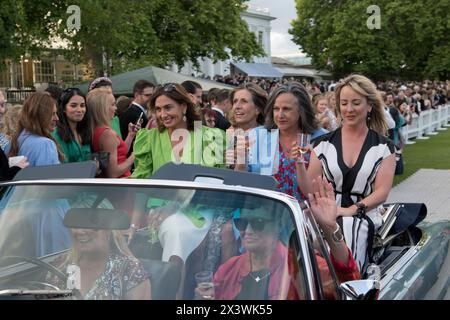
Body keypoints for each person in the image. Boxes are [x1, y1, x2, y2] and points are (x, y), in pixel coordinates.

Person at [195, 177, 360, 300]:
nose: (248, 231)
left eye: (258, 223)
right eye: (242, 223)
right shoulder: (228, 270)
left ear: (278, 226)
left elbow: (349, 283)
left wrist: (329, 227)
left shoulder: (300, 267)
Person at [295, 74, 396, 272]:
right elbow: (309, 189)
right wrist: (299, 163)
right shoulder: (322, 144)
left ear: (369, 106)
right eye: (344, 103)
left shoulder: (384, 147)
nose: (349, 109)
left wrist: (351, 210)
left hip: (364, 214)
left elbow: (382, 193)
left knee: (348, 226)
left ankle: (352, 284)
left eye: (356, 103)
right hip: (326, 211)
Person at [234, 82, 328, 203]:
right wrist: (241, 161)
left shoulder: (321, 138)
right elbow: (239, 183)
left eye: (286, 109)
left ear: (301, 111)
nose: (280, 115)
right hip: (262, 215)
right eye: (276, 109)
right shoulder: (257, 136)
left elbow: (321, 189)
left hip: (305, 216)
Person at [132, 83, 224, 179]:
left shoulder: (210, 137)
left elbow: (219, 180)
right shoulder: (149, 139)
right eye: (158, 109)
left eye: (168, 108)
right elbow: (141, 181)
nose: (163, 115)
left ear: (184, 107)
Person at [46, 229, 151, 300]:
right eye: (75, 223)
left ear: (108, 229)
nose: (79, 231)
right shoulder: (61, 263)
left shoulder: (130, 269)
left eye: (90, 223)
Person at [88, 90, 138, 178]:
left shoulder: (96, 130)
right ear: (102, 108)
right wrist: (134, 155)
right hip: (121, 186)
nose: (116, 108)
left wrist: (131, 135)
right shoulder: (108, 134)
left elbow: (119, 152)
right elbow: (113, 173)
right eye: (112, 104)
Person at [8, 92, 64, 166]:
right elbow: (50, 176)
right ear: (41, 115)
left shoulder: (17, 140)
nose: (57, 118)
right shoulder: (45, 144)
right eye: (52, 114)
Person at [52, 88, 92, 163]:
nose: (79, 110)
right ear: (63, 108)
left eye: (82, 105)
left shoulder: (85, 131)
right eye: (73, 106)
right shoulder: (56, 136)